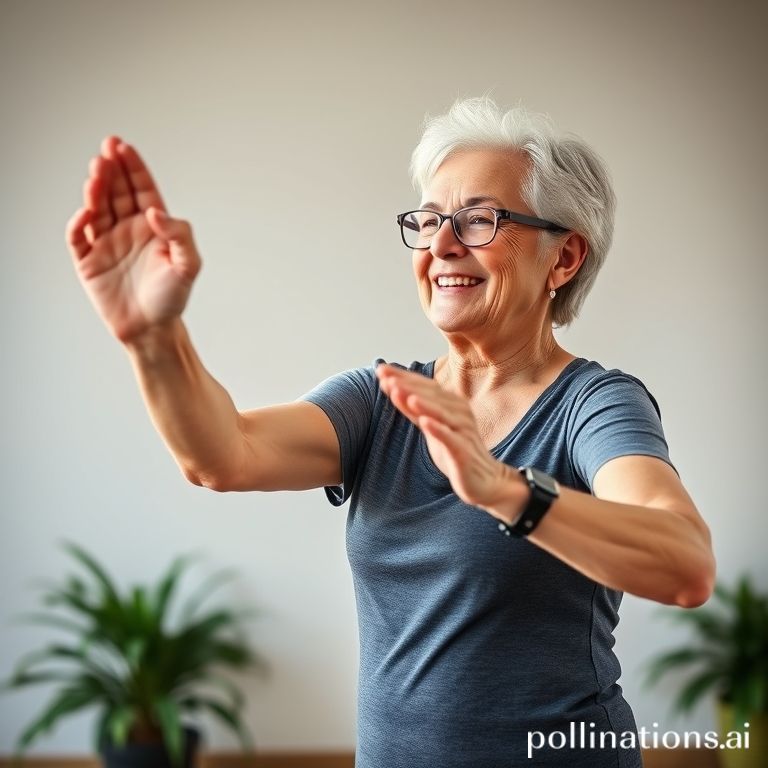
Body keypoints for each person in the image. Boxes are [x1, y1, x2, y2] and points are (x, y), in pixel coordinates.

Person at [66, 97, 715, 768]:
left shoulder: (593, 405)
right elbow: (224, 455)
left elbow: (686, 563)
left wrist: (506, 491)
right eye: (429, 221)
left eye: (480, 220)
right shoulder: (381, 400)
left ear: (564, 257)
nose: (440, 245)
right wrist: (154, 336)